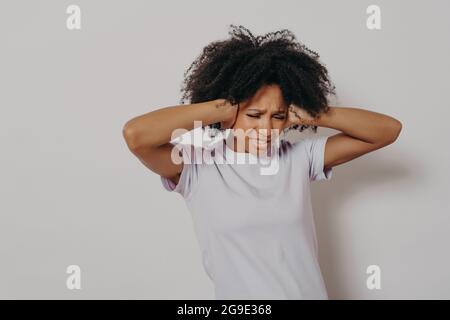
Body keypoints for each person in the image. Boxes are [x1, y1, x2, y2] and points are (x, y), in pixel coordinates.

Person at [122, 25, 402, 299]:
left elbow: (387, 131)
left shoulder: (299, 158)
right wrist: (222, 106)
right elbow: (137, 135)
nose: (266, 128)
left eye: (277, 117)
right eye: (254, 115)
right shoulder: (196, 167)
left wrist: (314, 112)